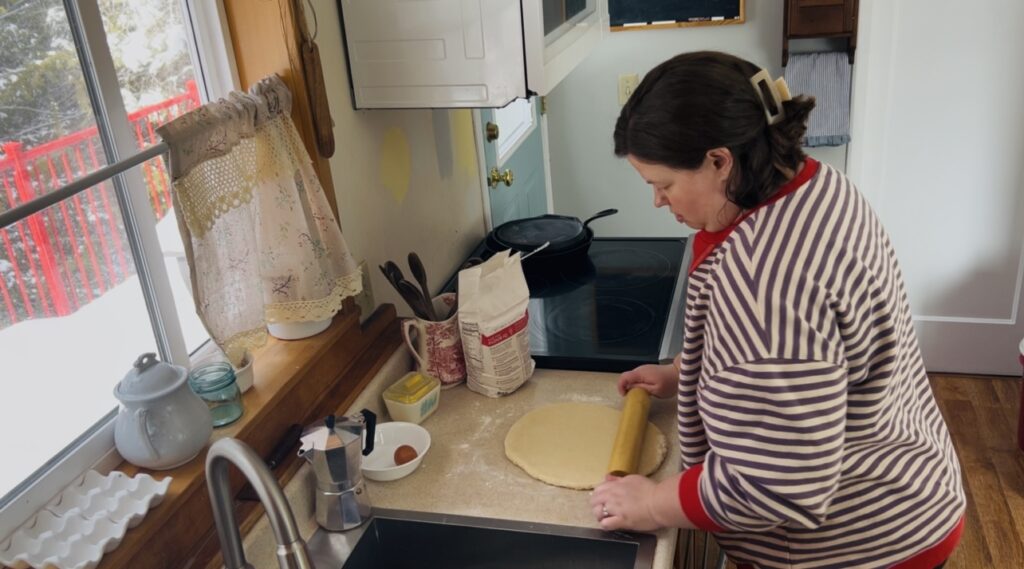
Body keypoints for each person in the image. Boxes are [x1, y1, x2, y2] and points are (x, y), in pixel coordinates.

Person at [589, 51, 965, 569]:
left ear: (720, 161)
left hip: (860, 542)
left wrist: (653, 503)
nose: (657, 201)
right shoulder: (816, 184)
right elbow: (810, 358)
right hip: (909, 478)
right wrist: (687, 373)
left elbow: (775, 484)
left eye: (663, 184)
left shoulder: (763, 279)